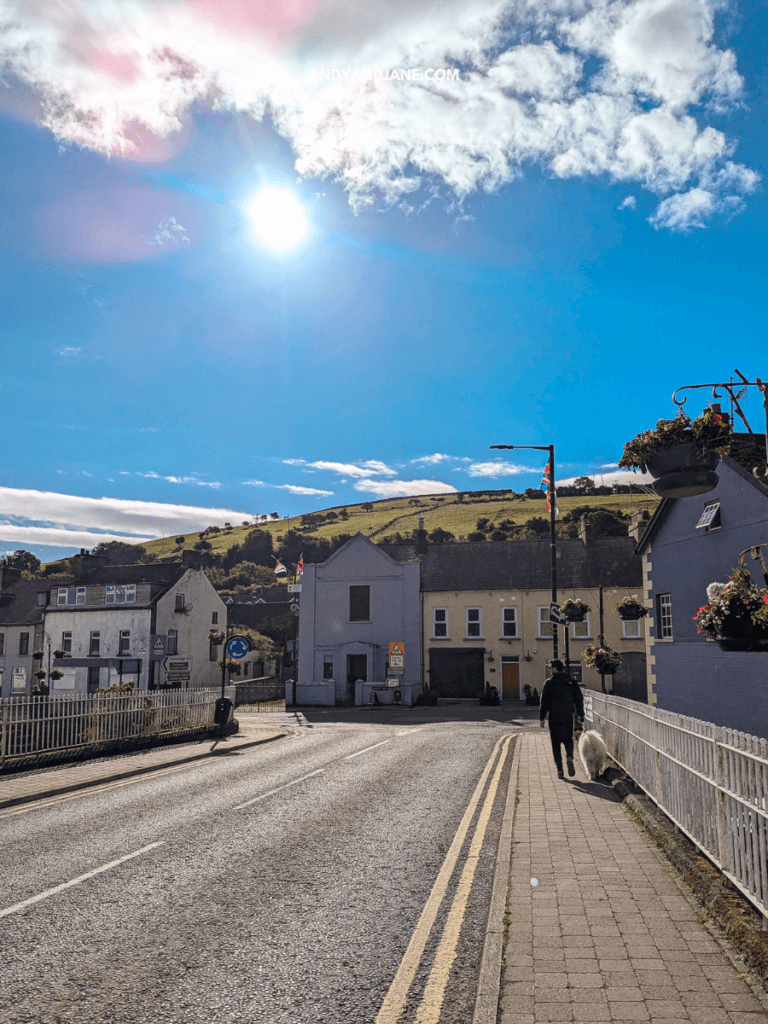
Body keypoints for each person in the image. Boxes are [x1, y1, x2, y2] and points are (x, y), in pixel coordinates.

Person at [539, 659, 584, 779]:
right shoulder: (571, 682)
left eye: (550, 667)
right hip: (567, 716)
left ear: (554, 668)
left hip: (554, 717)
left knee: (556, 743)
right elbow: (579, 699)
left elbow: (544, 702)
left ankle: (560, 770)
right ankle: (569, 756)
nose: (550, 669)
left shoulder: (548, 683)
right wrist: (581, 715)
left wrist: (542, 717)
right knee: (568, 739)